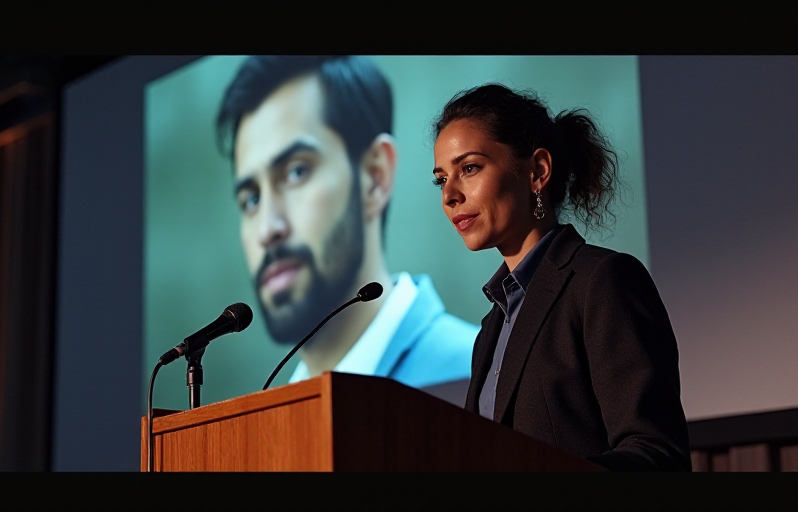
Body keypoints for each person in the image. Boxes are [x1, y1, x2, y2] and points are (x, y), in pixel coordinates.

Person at [430, 83, 691, 471]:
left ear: (537, 171)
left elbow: (657, 454)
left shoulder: (601, 282)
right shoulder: (490, 328)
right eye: (440, 179)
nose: (450, 194)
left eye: (469, 168)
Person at [214, 55, 479, 395]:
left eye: (296, 172)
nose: (267, 228)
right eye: (251, 199)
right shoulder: (268, 423)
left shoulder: (478, 378)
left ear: (375, 176)